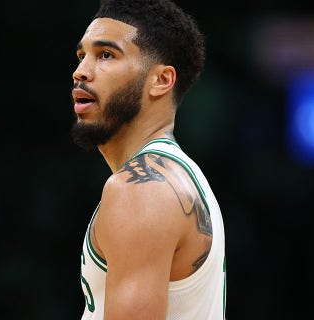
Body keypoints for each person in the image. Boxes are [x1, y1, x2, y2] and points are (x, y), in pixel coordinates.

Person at [70, 0, 226, 319]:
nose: (80, 71)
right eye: (81, 55)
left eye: (106, 55)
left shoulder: (143, 190)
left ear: (161, 80)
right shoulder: (175, 175)